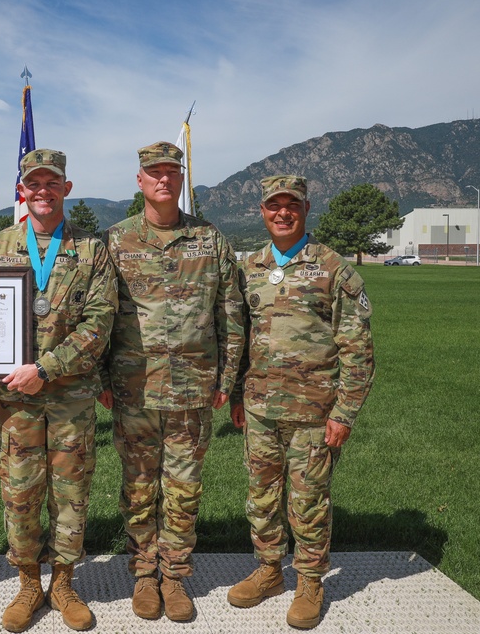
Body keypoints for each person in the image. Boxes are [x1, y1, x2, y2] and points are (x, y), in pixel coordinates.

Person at [100, 141, 244, 622]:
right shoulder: (115, 241)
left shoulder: (210, 239)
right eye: (153, 172)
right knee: (139, 485)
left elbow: (230, 312)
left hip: (192, 389)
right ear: (139, 180)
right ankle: (144, 573)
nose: (163, 179)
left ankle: (175, 576)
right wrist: (102, 378)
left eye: (171, 172)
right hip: (133, 388)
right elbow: (98, 318)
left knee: (183, 489)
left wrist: (227, 375)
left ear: (182, 180)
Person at [0, 148, 117, 632]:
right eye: (33, 183)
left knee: (71, 493)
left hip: (71, 397)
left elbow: (99, 324)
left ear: (66, 188)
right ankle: (28, 583)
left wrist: (47, 367)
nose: (41, 191)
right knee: (20, 492)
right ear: (22, 190)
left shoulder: (93, 251)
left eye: (50, 182)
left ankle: (63, 582)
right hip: (16, 402)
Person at [228, 175, 374, 630]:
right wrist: (235, 394)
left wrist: (345, 412)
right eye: (275, 205)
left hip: (315, 413)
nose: (283, 213)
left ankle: (310, 580)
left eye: (292, 205)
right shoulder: (248, 267)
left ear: (307, 209)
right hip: (258, 409)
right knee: (261, 497)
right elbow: (238, 336)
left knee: (308, 499)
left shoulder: (334, 268)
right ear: (262, 210)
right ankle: (271, 570)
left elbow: (357, 348)